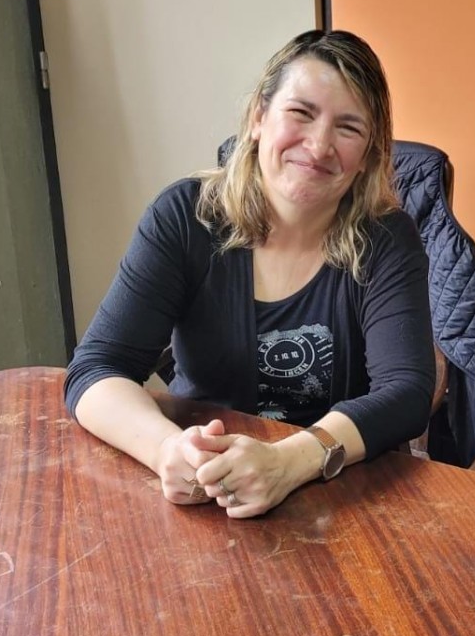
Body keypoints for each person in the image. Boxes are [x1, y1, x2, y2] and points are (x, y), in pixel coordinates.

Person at [65, 30, 435, 518]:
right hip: (206, 488)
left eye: (348, 128)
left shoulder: (386, 238)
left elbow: (406, 391)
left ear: (367, 155)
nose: (319, 145)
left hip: (340, 495)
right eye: (300, 113)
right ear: (259, 117)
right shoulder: (186, 218)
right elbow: (95, 369)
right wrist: (165, 450)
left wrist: (290, 461)